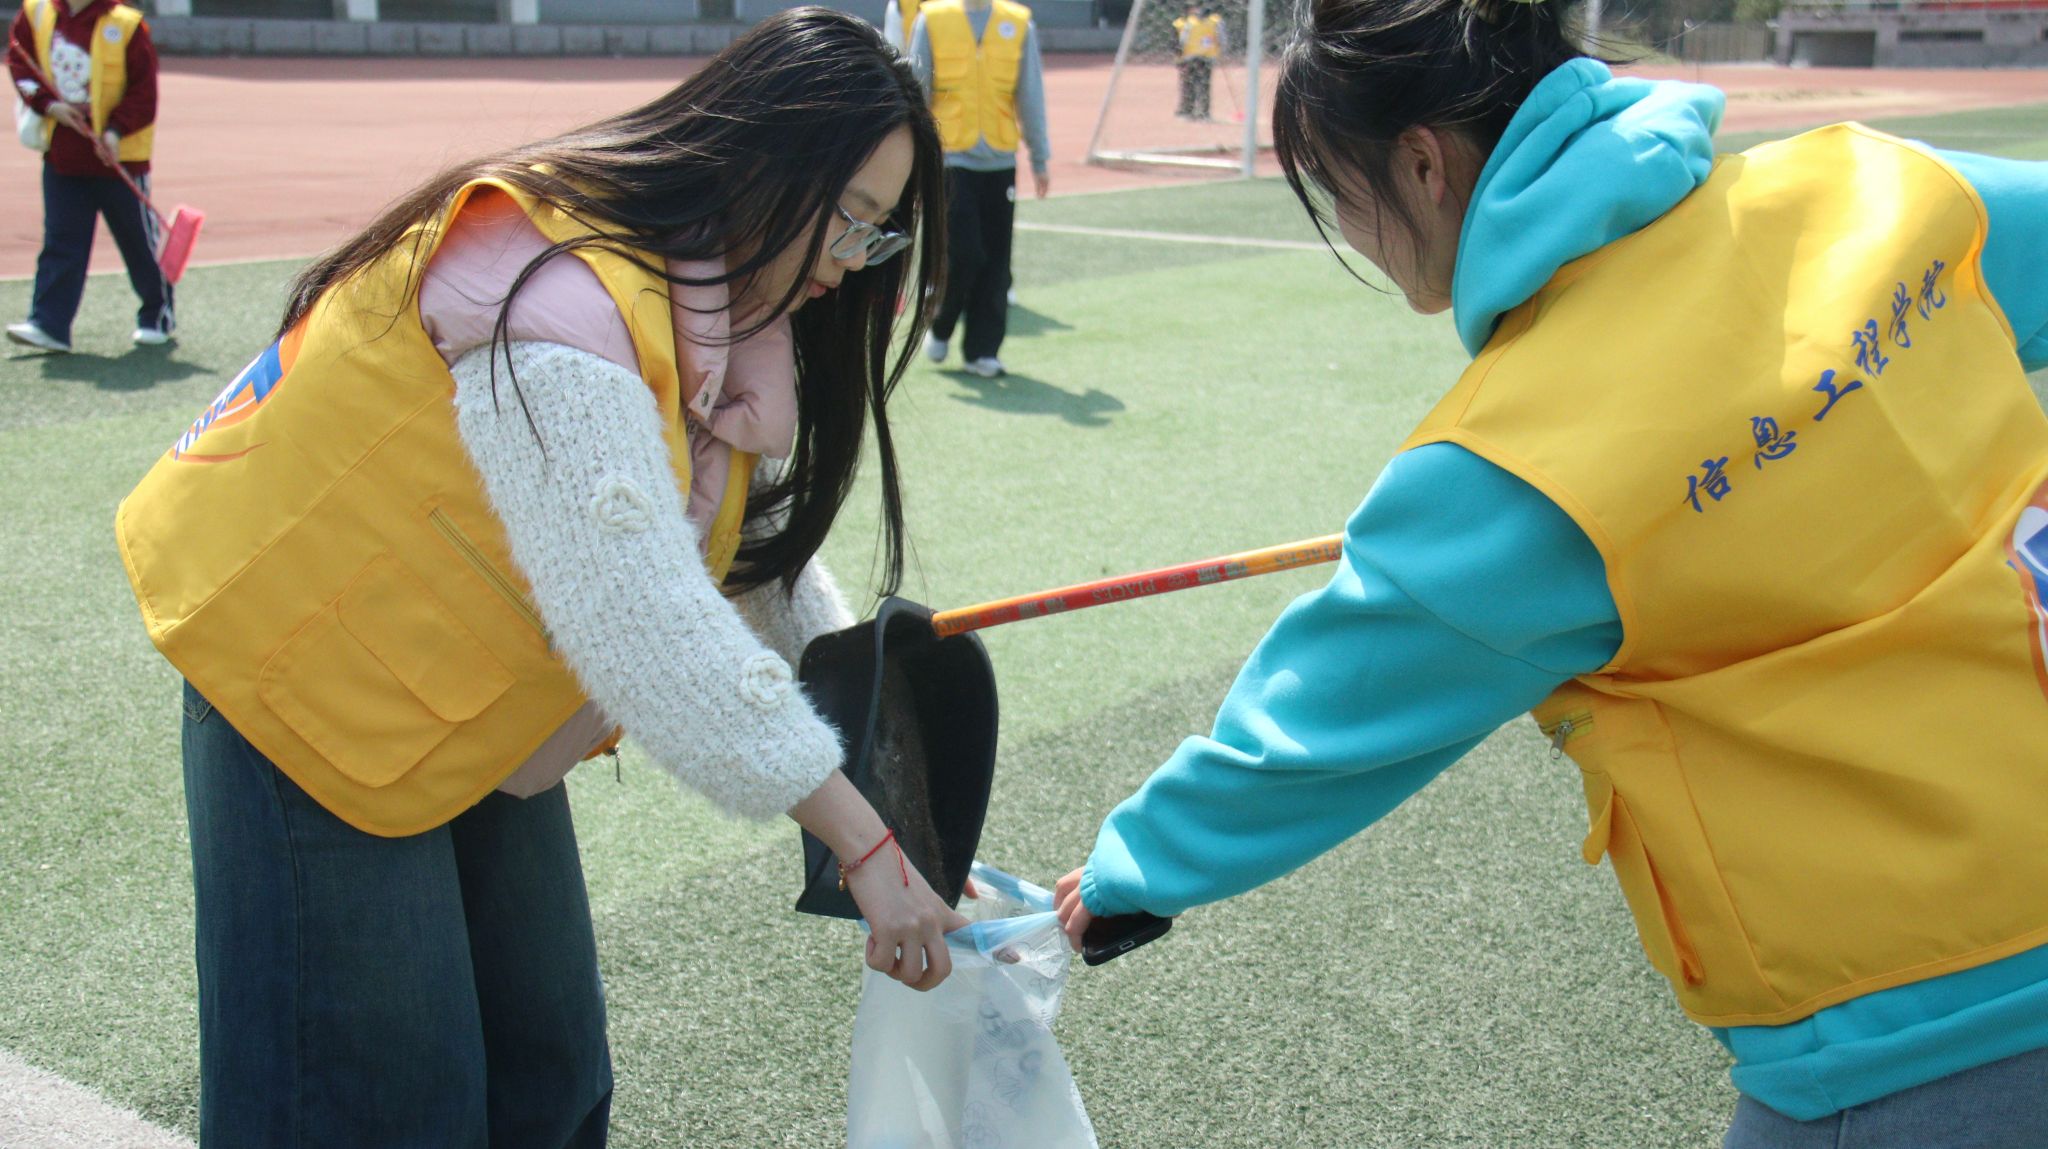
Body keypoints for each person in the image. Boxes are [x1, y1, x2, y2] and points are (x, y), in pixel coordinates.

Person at [1054, 0, 2048, 1143]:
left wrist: (1129, 870)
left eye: (1337, 189)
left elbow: (1308, 732)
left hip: (1911, 1025)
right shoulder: (1875, 187)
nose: (1349, 231)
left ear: (1420, 164)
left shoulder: (1505, 469)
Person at [113, 10, 963, 1146]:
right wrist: (863, 838)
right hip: (301, 670)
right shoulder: (556, 295)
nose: (849, 260)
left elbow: (750, 562)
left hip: (448, 686)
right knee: (375, 1103)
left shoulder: (719, 299)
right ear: (764, 159)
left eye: (875, 234)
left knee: (548, 1076)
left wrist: (884, 776)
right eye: (847, 217)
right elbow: (643, 621)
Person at [5, 0, 171, 353]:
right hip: (63, 155)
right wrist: (49, 105)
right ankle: (49, 324)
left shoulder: (126, 24)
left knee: (139, 243)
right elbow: (20, 62)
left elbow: (144, 92)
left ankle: (156, 315)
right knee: (61, 241)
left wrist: (114, 131)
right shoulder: (37, 12)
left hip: (120, 160)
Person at [909, 0, 1050, 379]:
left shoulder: (1018, 23)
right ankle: (941, 322)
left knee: (996, 262)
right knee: (964, 252)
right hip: (950, 159)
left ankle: (983, 351)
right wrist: (912, 160)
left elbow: (1030, 93)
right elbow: (916, 93)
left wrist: (1040, 157)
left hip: (999, 162)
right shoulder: (932, 19)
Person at [1171, 2, 1221, 121]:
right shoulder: (1184, 23)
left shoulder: (1209, 22)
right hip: (1192, 58)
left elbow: (1178, 42)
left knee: (1198, 85)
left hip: (1201, 57)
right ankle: (1191, 110)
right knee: (1191, 85)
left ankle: (1198, 111)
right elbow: (1177, 42)